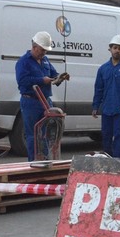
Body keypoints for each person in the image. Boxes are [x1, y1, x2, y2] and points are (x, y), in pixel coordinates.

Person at [15, 31, 69, 161]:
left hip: (45, 101)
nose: (44, 53)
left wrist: (60, 78)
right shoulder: (23, 62)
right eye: (42, 50)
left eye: (46, 50)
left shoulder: (45, 60)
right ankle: (33, 163)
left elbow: (53, 74)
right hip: (31, 102)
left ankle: (45, 161)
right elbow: (22, 81)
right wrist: (41, 80)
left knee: (46, 133)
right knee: (33, 134)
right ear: (34, 47)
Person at [91, 34, 120, 158]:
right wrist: (95, 106)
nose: (117, 50)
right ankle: (108, 162)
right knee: (106, 137)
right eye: (115, 47)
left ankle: (118, 163)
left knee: (119, 137)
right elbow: (98, 88)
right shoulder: (103, 69)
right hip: (107, 109)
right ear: (110, 49)